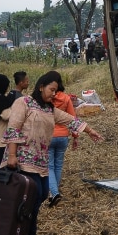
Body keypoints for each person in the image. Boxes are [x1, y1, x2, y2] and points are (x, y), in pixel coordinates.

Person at [2, 71, 103, 235]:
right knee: (33, 195)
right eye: (51, 90)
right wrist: (11, 155)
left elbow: (71, 120)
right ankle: (23, 234)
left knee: (41, 194)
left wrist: (90, 131)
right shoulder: (23, 102)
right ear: (41, 86)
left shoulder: (49, 109)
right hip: (23, 159)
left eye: (56, 91)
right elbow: (13, 129)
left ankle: (26, 233)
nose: (54, 94)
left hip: (41, 161)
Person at [46, 71, 76, 207]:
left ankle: (54, 192)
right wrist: (75, 136)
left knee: (49, 166)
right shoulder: (65, 98)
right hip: (63, 136)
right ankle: (54, 191)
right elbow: (72, 118)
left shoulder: (45, 98)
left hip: (48, 136)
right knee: (58, 165)